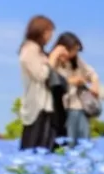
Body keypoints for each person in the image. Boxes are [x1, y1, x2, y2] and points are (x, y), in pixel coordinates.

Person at [18, 15, 70, 151]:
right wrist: (53, 56)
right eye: (49, 32)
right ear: (40, 31)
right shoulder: (29, 50)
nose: (50, 36)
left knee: (47, 146)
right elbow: (42, 75)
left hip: (47, 106)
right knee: (34, 145)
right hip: (37, 107)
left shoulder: (40, 52)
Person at [52, 32, 102, 146]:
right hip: (62, 107)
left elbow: (92, 73)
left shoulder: (77, 60)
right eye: (74, 50)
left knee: (84, 141)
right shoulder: (53, 60)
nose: (75, 53)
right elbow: (50, 78)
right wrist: (71, 81)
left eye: (77, 50)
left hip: (80, 106)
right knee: (68, 141)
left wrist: (95, 84)